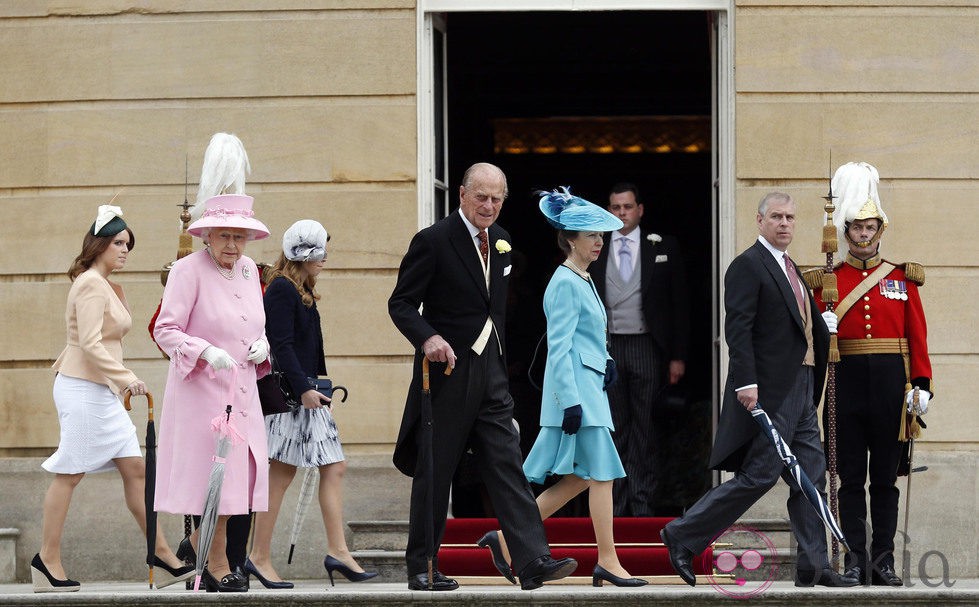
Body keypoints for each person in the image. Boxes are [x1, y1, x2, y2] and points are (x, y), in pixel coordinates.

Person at [388, 162, 577, 591]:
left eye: (496, 198)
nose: (489, 206)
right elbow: (401, 304)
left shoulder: (504, 241)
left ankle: (531, 561)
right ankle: (424, 566)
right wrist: (429, 337)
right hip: (448, 371)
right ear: (462, 194)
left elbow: (494, 310)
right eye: (481, 197)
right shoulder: (433, 241)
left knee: (508, 464)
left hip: (492, 373)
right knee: (436, 470)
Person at [659, 192, 859, 588]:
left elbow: (791, 327)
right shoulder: (748, 265)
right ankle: (682, 534)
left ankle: (813, 567)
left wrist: (823, 324)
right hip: (771, 389)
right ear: (760, 220)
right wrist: (746, 382)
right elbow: (739, 328)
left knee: (809, 477)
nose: (785, 223)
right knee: (761, 475)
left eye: (790, 217)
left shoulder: (790, 267)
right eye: (777, 217)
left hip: (803, 386)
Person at [478, 188, 647, 587]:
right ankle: (608, 559)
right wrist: (570, 402)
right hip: (579, 395)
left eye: (601, 237)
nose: (599, 243)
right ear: (570, 238)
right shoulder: (564, 281)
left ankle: (504, 541)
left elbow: (589, 337)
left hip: (591, 388)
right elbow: (560, 346)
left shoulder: (581, 278)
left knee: (580, 480)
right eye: (592, 236)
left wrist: (607, 363)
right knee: (602, 475)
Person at [33, 205, 194, 593]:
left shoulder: (107, 284)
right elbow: (88, 343)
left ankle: (162, 553)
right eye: (118, 243)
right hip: (81, 387)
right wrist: (127, 379)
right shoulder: (90, 282)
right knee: (70, 472)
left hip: (101, 390)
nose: (125, 250)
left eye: (128, 244)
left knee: (136, 469)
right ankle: (47, 560)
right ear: (100, 244)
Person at [809, 162, 931, 586]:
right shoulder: (825, 281)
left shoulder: (902, 278)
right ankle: (853, 560)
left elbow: (917, 337)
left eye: (869, 227)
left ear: (880, 230)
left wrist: (922, 384)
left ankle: (884, 561)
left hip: (889, 391)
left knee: (884, 483)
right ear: (845, 232)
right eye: (856, 227)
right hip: (845, 390)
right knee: (848, 483)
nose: (863, 234)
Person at [245, 220, 378, 588]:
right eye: (319, 251)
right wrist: (304, 388)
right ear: (303, 254)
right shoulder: (282, 290)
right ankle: (260, 556)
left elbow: (310, 348)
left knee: (327, 467)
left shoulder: (299, 288)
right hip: (292, 399)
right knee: (285, 474)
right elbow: (281, 345)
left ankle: (336, 551)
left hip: (308, 395)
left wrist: (322, 386)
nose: (324, 258)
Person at [153, 193, 272, 592]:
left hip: (241, 389)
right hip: (201, 391)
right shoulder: (188, 270)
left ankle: (197, 545)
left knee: (237, 479)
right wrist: (204, 350)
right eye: (225, 236)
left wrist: (264, 345)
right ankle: (217, 564)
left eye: (240, 237)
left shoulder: (249, 271)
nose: (233, 245)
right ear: (207, 235)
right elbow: (165, 330)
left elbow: (253, 323)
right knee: (214, 479)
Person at [591, 182, 690, 516]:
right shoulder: (595, 247)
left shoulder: (663, 247)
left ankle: (642, 503)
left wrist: (677, 356)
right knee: (613, 426)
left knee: (645, 427)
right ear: (608, 210)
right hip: (608, 347)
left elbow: (680, 305)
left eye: (627, 207)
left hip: (648, 346)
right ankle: (615, 506)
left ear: (640, 209)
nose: (621, 213)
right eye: (615, 207)